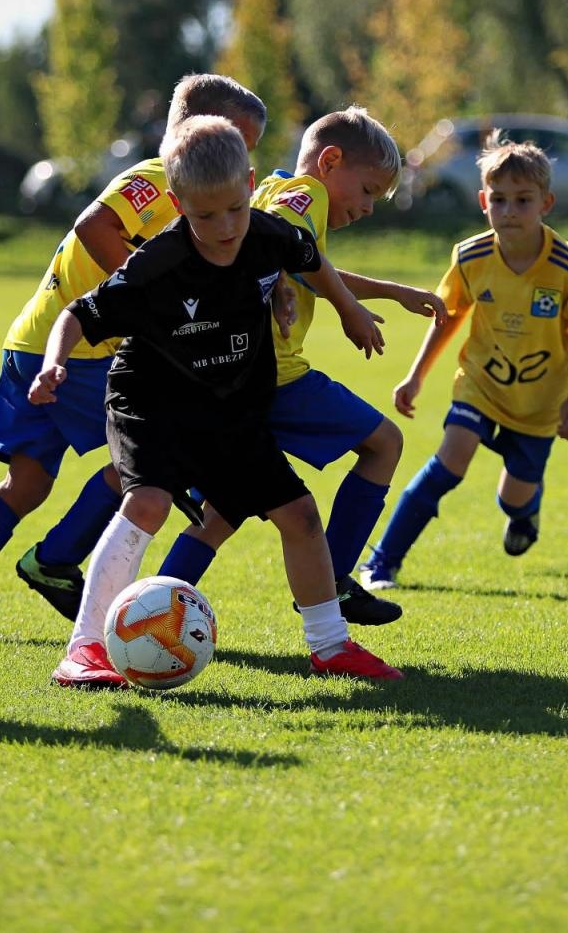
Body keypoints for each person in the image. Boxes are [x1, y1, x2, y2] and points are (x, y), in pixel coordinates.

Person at [30, 116, 402, 685]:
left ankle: (331, 646)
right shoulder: (159, 264)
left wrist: (348, 308)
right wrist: (55, 362)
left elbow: (308, 258)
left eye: (234, 208)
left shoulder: (267, 233)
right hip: (151, 400)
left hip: (230, 405)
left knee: (299, 516)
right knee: (148, 504)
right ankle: (85, 649)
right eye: (204, 215)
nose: (225, 226)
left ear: (250, 185)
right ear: (178, 204)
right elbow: (78, 314)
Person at [0, 74, 269, 638]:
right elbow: (93, 225)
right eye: (237, 142)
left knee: (27, 484)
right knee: (152, 456)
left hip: (34, 342)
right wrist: (154, 296)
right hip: (78, 350)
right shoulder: (155, 178)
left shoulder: (199, 200)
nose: (243, 162)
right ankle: (55, 561)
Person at [154, 107, 445, 621]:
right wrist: (348, 307)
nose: (371, 207)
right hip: (277, 378)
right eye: (370, 190)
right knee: (384, 443)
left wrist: (389, 291)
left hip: (231, 380)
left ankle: (150, 612)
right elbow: (290, 249)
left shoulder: (274, 188)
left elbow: (303, 258)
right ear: (330, 161)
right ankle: (331, 579)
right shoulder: (304, 195)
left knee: (222, 510)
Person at [358, 134, 568, 589]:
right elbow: (446, 318)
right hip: (480, 385)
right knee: (449, 462)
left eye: (523, 200)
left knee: (513, 498)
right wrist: (415, 377)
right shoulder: (471, 256)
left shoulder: (567, 268)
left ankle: (524, 512)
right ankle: (382, 563)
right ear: (482, 200)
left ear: (546, 203)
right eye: (500, 199)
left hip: (539, 403)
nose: (509, 210)